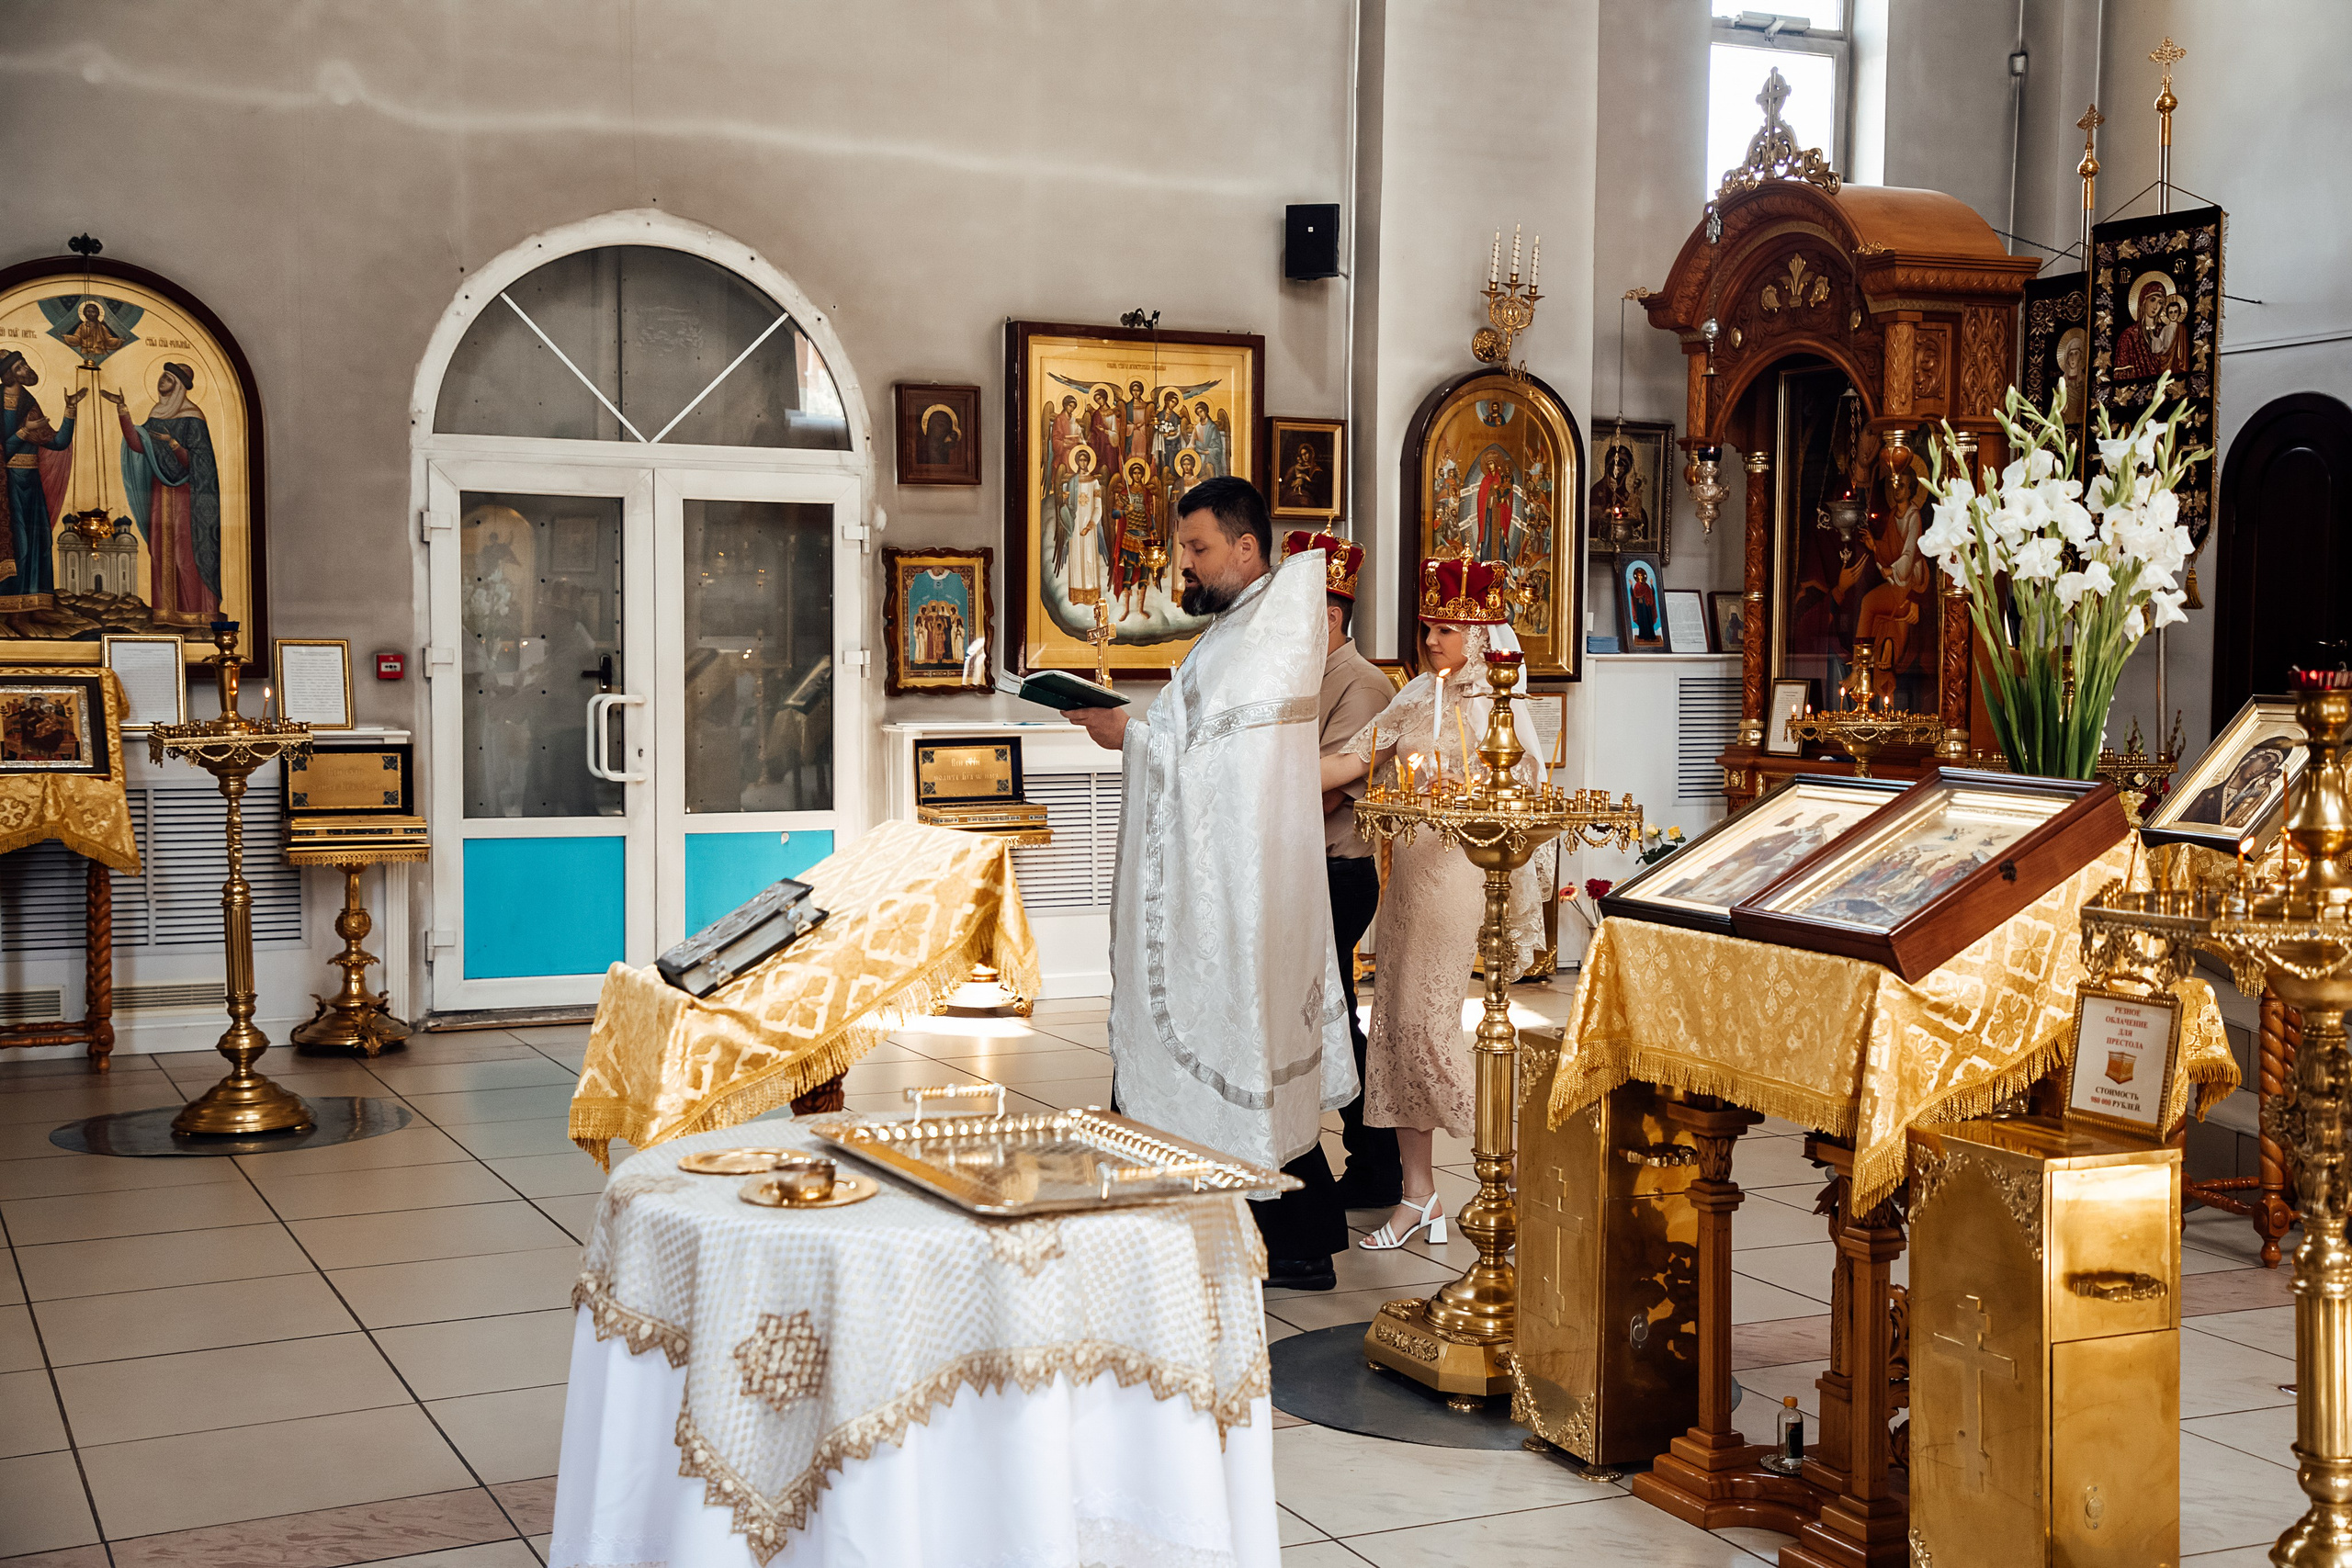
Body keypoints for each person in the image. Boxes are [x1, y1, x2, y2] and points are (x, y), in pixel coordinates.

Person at [1070, 476, 1354, 1290]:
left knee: (1229, 1053)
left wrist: (1127, 733)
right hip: (1241, 880)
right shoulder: (1247, 627)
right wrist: (1136, 734)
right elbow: (1207, 755)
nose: (1185, 566)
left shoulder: (1260, 636)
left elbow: (1223, 773)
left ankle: (1280, 1240)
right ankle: (1293, 1238)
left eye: (1197, 549)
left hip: (1239, 890)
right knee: (1243, 1063)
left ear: (1246, 547)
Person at [1317, 556, 1545, 1250]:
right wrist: (1261, 770)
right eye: (1429, 627)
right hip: (1410, 884)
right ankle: (1418, 1195)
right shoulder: (1415, 696)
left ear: (1480, 638)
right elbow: (1350, 761)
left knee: (1425, 1030)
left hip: (1460, 879)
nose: (1433, 640)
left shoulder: (1496, 705)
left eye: (1447, 629)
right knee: (1390, 1027)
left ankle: (1523, 1171)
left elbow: (1526, 793)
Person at [1283, 529, 1402, 1213]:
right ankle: (1369, 1157)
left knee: (1331, 1017)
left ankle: (1377, 1160)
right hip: (1301, 868)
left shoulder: (1363, 685)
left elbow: (1325, 790)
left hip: (1337, 869)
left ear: (1330, 615)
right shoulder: (1304, 676)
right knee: (1324, 1017)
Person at [107, 360, 221, 624]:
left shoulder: (194, 417)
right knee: (160, 550)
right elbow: (138, 445)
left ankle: (194, 613)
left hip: (187, 496)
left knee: (185, 553)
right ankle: (165, 612)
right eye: (162, 376)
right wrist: (123, 410)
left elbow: (200, 461)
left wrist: (173, 444)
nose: (162, 381)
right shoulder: (157, 414)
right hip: (160, 492)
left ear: (179, 386)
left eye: (168, 378)